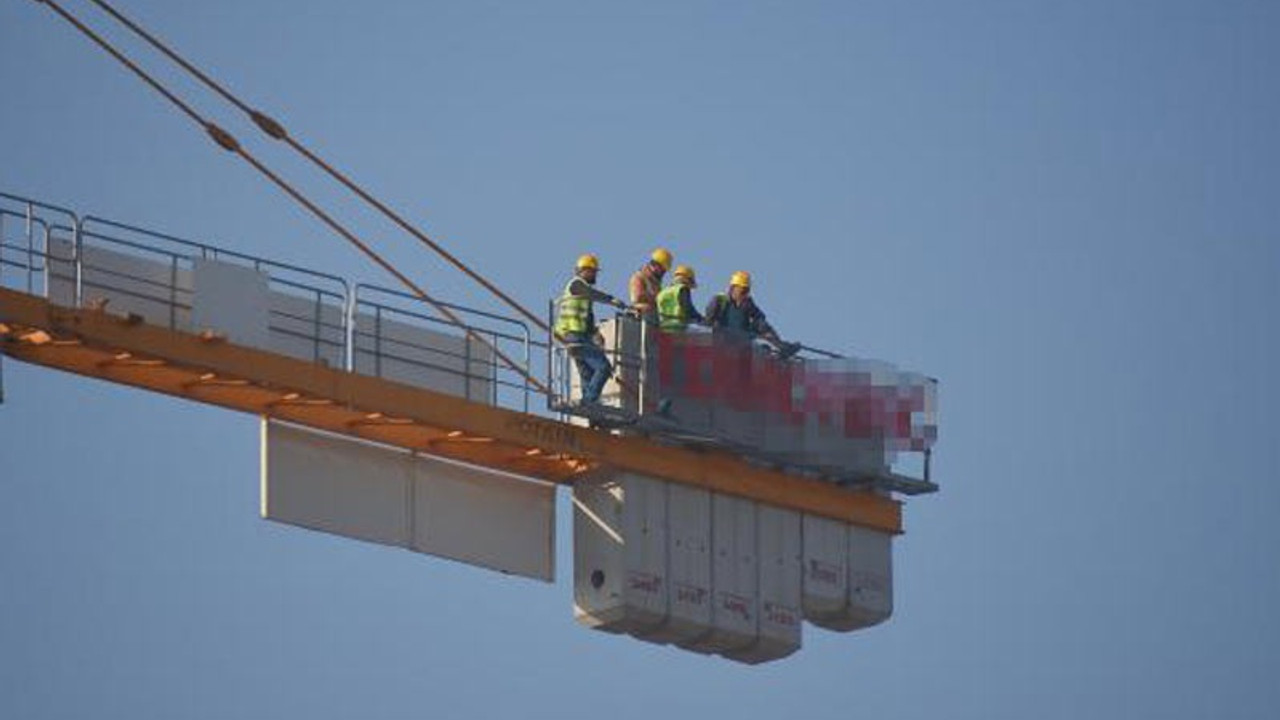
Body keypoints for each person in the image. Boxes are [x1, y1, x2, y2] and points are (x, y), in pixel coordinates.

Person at [554, 253, 628, 404]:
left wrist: (595, 333)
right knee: (603, 368)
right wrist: (611, 300)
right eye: (592, 271)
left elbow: (586, 318)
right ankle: (589, 401)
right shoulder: (576, 284)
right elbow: (592, 294)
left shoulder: (583, 295)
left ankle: (589, 409)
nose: (595, 275)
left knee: (587, 373)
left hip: (574, 336)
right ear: (583, 271)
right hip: (574, 335)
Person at [704, 270, 797, 354]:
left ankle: (781, 347)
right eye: (742, 290)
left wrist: (756, 323)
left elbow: (760, 317)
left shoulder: (747, 302)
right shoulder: (719, 300)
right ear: (733, 288)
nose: (745, 293)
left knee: (760, 323)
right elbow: (709, 321)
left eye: (747, 291)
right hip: (724, 338)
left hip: (742, 337)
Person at [628, 247, 673, 322]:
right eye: (663, 270)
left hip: (654, 319)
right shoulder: (639, 277)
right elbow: (637, 297)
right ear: (656, 265)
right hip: (641, 319)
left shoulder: (655, 283)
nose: (663, 273)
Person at [655, 265, 704, 332]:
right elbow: (687, 308)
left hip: (663, 327)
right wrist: (701, 319)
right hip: (677, 326)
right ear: (688, 279)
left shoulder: (663, 292)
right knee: (699, 333)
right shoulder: (682, 289)